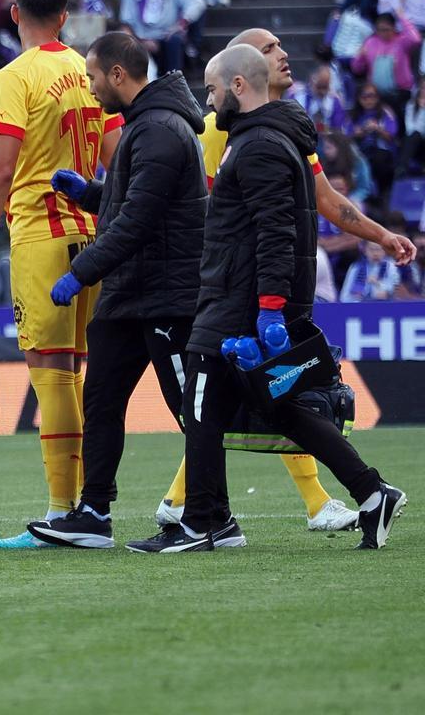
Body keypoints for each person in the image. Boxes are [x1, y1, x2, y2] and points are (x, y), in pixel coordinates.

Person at [128, 45, 406, 553]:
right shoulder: (270, 139)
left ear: (238, 86)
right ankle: (371, 492)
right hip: (241, 292)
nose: (208, 104)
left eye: (212, 90)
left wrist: (271, 310)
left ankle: (203, 524)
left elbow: (276, 233)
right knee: (279, 410)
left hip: (239, 298)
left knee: (202, 406)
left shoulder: (257, 145)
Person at [0, 0, 122, 549]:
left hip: (41, 236)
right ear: (66, 17)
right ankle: (85, 507)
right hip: (92, 235)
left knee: (51, 376)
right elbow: (115, 153)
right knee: (76, 374)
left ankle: (63, 511)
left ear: (15, 12)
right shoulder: (85, 69)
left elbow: (0, 168)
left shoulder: (14, 76)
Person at [21, 32, 205, 549]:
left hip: (168, 294)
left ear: (118, 75)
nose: (90, 86)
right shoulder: (146, 127)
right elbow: (131, 203)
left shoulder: (162, 130)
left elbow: (140, 221)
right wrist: (92, 195)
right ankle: (93, 514)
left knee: (191, 408)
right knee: (99, 398)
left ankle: (210, 518)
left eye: (93, 77)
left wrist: (82, 272)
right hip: (130, 295)